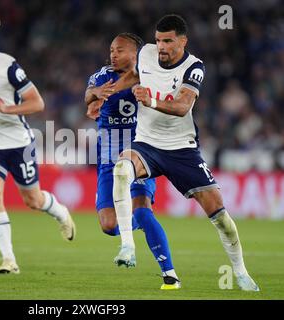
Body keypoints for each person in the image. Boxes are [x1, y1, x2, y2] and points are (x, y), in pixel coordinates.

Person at [111, 14, 259, 291]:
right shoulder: (145, 53)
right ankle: (127, 247)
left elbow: (182, 107)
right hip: (147, 145)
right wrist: (103, 94)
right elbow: (132, 75)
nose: (161, 47)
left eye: (168, 41)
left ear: (182, 41)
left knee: (221, 217)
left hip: (182, 150)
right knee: (121, 169)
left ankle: (240, 272)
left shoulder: (194, 67)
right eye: (158, 41)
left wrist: (151, 100)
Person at [0, 10, 76, 274]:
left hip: (19, 143)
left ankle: (61, 212)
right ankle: (9, 260)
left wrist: (6, 108)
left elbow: (38, 102)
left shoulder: (9, 67)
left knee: (32, 200)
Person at [85, 33, 180, 289]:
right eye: (111, 49)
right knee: (108, 225)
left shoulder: (149, 75)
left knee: (142, 207)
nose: (113, 54)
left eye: (120, 50)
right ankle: (132, 222)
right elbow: (88, 99)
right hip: (108, 159)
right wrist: (94, 95)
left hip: (141, 155)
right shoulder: (102, 76)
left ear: (135, 54)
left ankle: (169, 274)